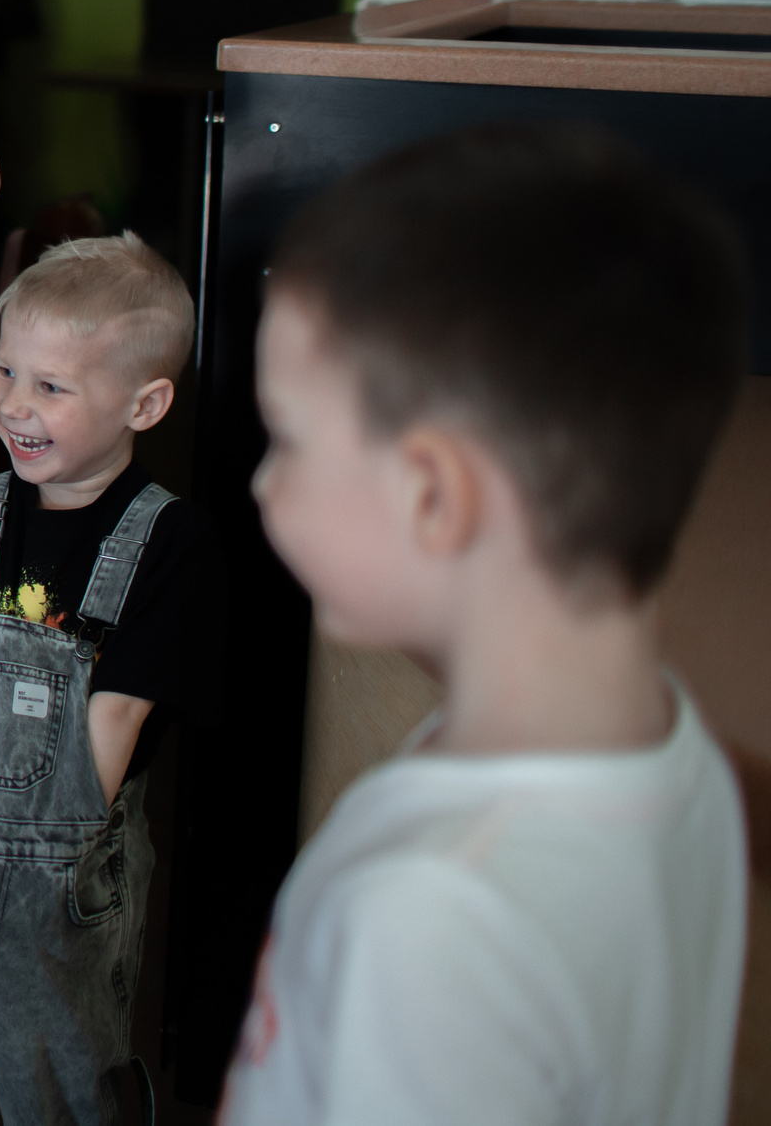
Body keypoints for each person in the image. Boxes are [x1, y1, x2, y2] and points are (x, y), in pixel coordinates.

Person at [221, 122, 747, 1125]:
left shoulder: (430, 920)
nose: (261, 483)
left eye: (284, 437)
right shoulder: (672, 754)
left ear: (432, 496)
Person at [0, 232, 219, 1125]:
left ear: (146, 403)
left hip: (60, 879)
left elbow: (120, 708)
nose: (14, 403)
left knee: (53, 1081)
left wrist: (40, 837)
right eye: (4, 370)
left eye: (51, 386)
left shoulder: (170, 541)